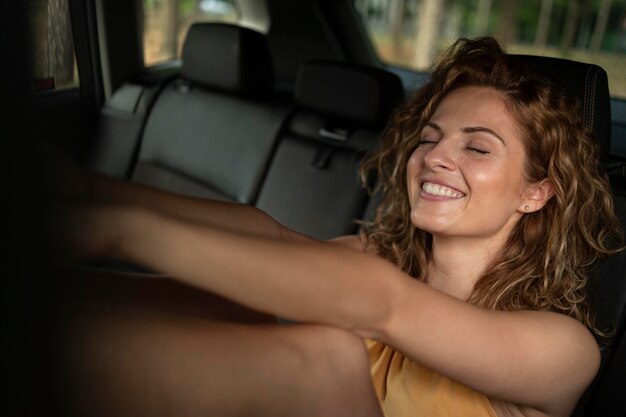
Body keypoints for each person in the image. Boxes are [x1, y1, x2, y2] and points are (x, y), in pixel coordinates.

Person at [49, 37, 623, 417]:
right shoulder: (377, 259)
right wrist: (93, 194)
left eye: (477, 147)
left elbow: (383, 305)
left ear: (535, 191)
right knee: (235, 304)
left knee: (324, 359)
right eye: (429, 139)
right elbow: (268, 237)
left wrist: (121, 230)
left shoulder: (561, 348)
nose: (436, 158)